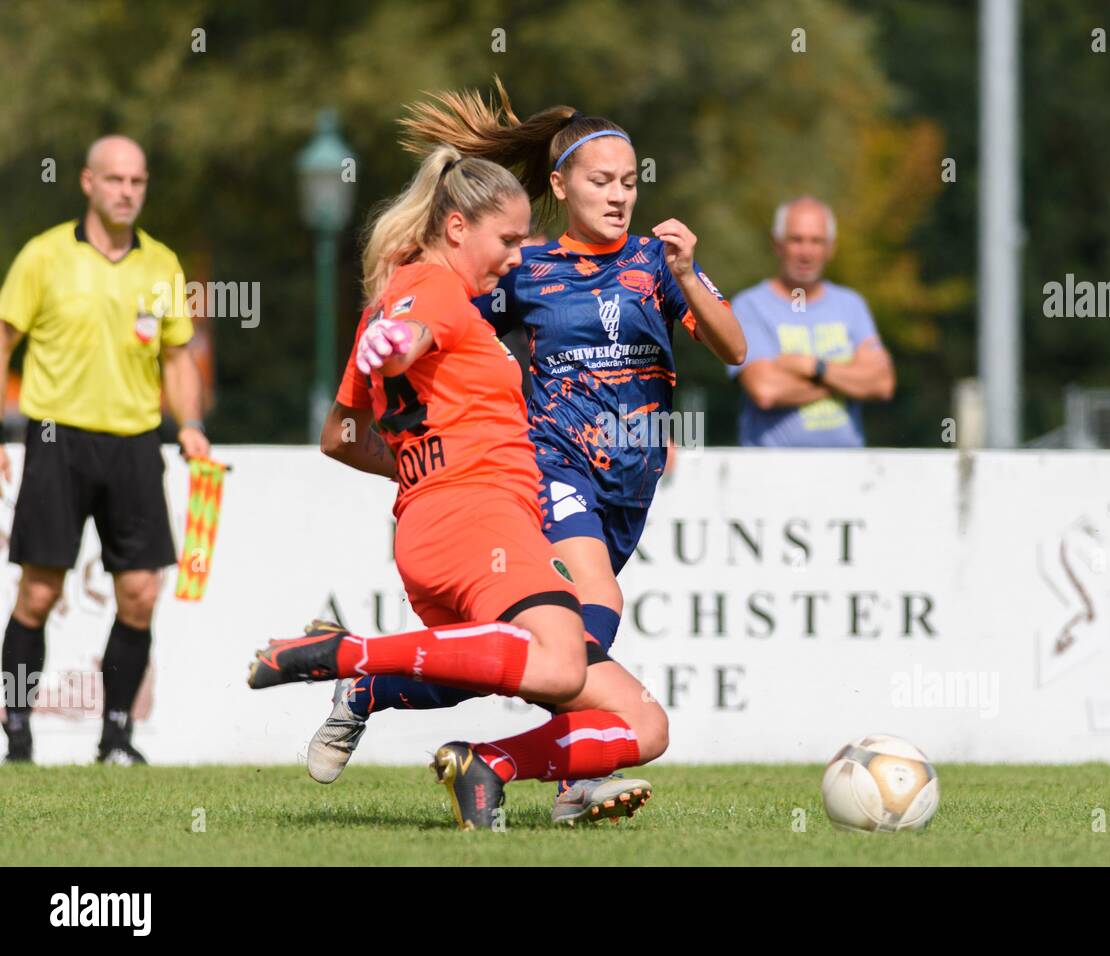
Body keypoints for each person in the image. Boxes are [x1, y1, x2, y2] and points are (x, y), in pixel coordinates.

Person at [299, 82, 746, 822]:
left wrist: (690, 271)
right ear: (562, 185)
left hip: (627, 490)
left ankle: (383, 691)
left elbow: (735, 347)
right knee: (594, 611)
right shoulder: (528, 267)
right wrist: (398, 347)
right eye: (602, 181)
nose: (619, 196)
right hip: (550, 470)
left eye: (630, 183)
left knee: (532, 657)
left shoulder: (656, 263)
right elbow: (441, 309)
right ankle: (566, 778)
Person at [248, 145, 666, 830]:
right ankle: (348, 655)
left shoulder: (424, 297)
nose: (515, 256)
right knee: (564, 664)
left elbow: (339, 435)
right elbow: (412, 330)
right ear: (456, 229)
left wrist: (418, 459)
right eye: (506, 239)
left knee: (642, 721)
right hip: (477, 522)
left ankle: (486, 766)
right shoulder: (432, 287)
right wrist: (399, 343)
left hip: (442, 523)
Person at [0, 135, 209, 765]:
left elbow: (177, 357)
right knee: (38, 593)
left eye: (137, 181)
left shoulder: (162, 264)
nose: (126, 191)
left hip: (136, 443)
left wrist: (191, 423)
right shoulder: (44, 256)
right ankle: (17, 735)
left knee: (141, 593)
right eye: (114, 179)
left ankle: (116, 736)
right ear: (88, 183)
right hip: (55, 439)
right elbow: (4, 339)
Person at [730, 196, 894, 446]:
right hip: (770, 475)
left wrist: (813, 367)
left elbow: (882, 383)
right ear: (777, 245)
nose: (806, 252)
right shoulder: (749, 306)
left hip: (849, 475)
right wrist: (849, 378)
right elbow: (765, 390)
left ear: (831, 248)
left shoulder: (851, 305)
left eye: (816, 241)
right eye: (796, 240)